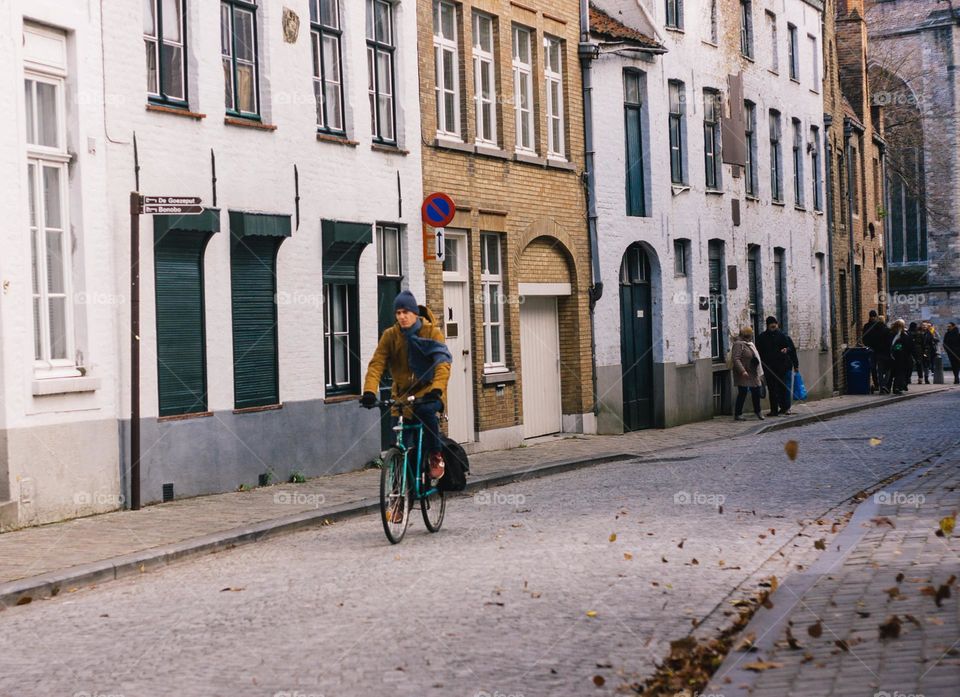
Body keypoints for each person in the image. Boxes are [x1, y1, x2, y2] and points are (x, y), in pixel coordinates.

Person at [360, 290, 452, 484]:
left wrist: (437, 390)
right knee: (400, 444)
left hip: (428, 392)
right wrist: (369, 391)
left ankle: (436, 455)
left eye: (405, 312)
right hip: (402, 396)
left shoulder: (431, 332)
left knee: (426, 411)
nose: (402, 317)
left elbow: (442, 363)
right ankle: (400, 496)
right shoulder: (390, 336)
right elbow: (377, 363)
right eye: (398, 313)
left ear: (414, 313)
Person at [756, 316, 799, 416]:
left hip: (782, 366)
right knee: (772, 389)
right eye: (771, 326)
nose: (773, 327)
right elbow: (758, 352)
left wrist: (787, 351)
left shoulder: (783, 336)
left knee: (783, 387)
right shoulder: (762, 337)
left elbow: (791, 349)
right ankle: (774, 410)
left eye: (775, 326)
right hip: (769, 367)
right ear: (767, 326)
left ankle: (785, 407)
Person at [731, 327, 765, 421]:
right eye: (750, 334)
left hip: (753, 372)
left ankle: (758, 411)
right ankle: (738, 414)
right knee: (743, 392)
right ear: (747, 335)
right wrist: (742, 371)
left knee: (756, 390)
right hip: (744, 373)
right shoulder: (738, 344)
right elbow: (736, 358)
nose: (751, 336)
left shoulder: (749, 343)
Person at [861, 310, 885, 393]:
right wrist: (868, 345)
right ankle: (877, 384)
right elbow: (864, 337)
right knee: (873, 368)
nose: (872, 318)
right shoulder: (868, 326)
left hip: (879, 350)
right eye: (871, 316)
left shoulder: (880, 325)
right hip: (872, 350)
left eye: (874, 316)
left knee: (880, 368)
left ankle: (881, 384)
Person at [889, 319, 914, 394]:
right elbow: (898, 345)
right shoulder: (897, 334)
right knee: (899, 373)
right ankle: (897, 387)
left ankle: (899, 386)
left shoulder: (896, 333)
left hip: (900, 356)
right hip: (900, 356)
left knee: (899, 373)